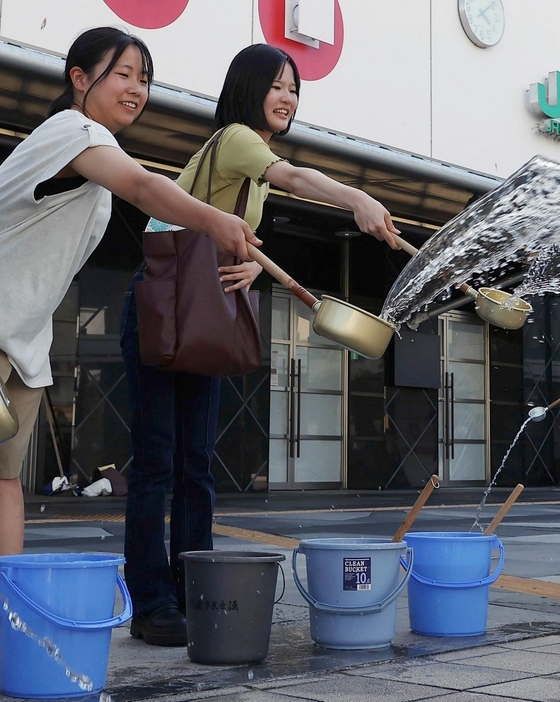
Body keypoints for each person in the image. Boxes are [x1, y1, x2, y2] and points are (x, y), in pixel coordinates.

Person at [0, 27, 261, 682]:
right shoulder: (69, 133)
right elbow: (147, 188)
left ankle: (6, 608)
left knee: (3, 482)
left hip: (22, 349)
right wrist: (214, 219)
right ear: (79, 78)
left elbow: (152, 208)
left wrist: (230, 245)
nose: (137, 88)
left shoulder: (96, 168)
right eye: (123, 73)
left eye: (145, 77)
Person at [120, 43, 400, 647]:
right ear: (249, 90)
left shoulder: (244, 161)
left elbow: (220, 231)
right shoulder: (238, 139)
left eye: (295, 88)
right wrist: (358, 198)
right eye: (277, 85)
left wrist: (245, 265)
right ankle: (151, 602)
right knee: (158, 462)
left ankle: (192, 588)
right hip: (165, 313)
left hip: (194, 315)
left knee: (194, 465)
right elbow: (294, 176)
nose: (288, 97)